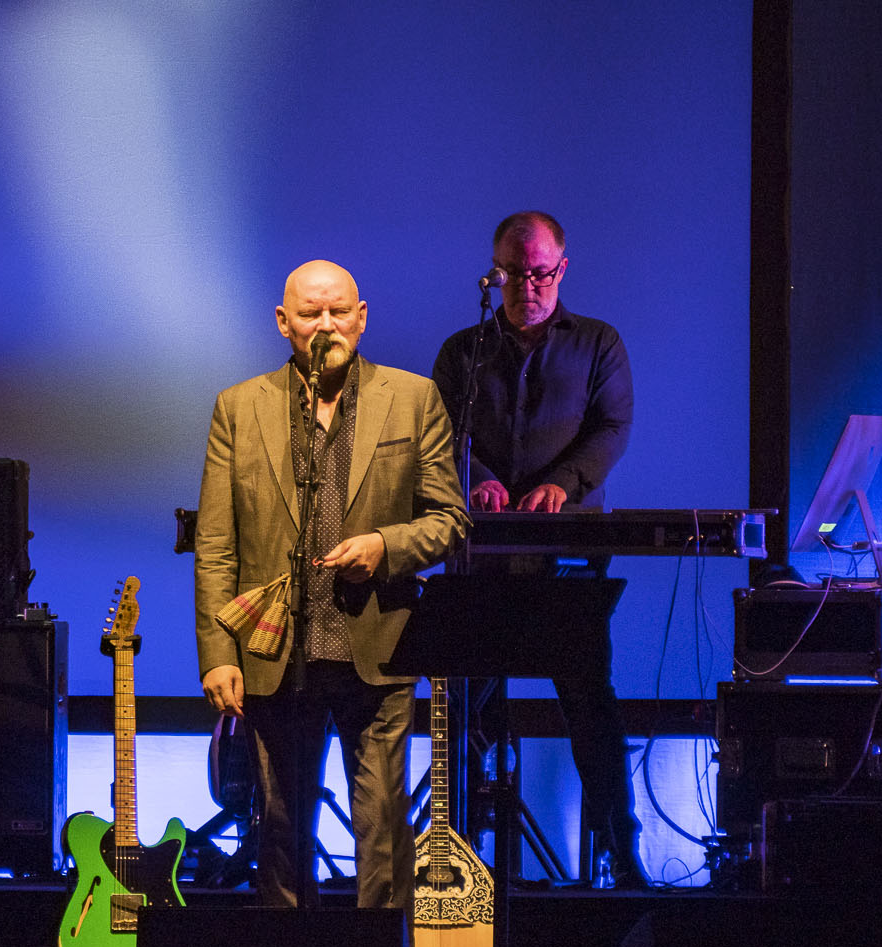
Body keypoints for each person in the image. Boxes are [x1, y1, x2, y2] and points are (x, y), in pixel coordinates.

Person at [194, 259, 468, 910]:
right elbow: (215, 542)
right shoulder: (238, 408)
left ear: (363, 317)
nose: (326, 325)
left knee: (383, 837)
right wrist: (218, 655)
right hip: (275, 655)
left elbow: (449, 520)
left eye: (339, 311)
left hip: (377, 647)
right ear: (283, 322)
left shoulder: (413, 397)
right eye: (311, 313)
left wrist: (385, 545)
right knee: (281, 834)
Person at [431, 211, 646, 888]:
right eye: (515, 273)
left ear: (563, 268)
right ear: (495, 274)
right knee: (469, 708)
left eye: (542, 271)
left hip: (567, 555)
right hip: (482, 559)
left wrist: (560, 485)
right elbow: (438, 434)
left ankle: (618, 847)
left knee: (589, 701)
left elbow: (612, 427)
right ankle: (463, 854)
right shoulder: (462, 352)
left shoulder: (598, 344)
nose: (529, 285)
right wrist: (482, 483)